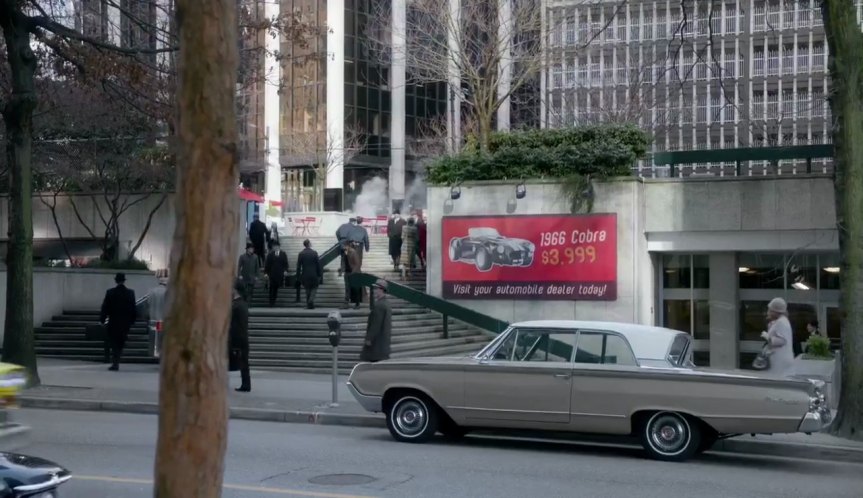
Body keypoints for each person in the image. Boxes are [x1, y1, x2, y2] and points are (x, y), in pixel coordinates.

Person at [99, 272, 137, 371]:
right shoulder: (130, 293)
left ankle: (115, 362)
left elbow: (105, 307)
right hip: (125, 322)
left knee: (113, 341)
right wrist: (132, 320)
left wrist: (102, 319)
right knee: (120, 341)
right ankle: (117, 360)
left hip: (113, 321)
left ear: (116, 281)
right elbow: (133, 308)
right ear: (124, 281)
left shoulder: (110, 292)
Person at [761, 297, 795, 377]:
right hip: (780, 361)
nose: (768, 313)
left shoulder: (781, 322)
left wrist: (768, 338)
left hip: (780, 362)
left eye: (770, 310)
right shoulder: (781, 321)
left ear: (775, 311)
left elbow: (782, 340)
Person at [360, 279, 392, 362]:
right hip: (383, 344)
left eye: (376, 288)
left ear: (381, 289)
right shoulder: (386, 304)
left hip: (376, 345)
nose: (374, 291)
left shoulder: (379, 305)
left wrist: (369, 338)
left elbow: (375, 324)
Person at [229, 280, 251, 392]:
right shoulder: (242, 304)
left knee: (242, 362)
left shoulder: (236, 306)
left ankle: (246, 384)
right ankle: (246, 384)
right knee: (244, 363)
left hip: (238, 338)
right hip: (242, 337)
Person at [296, 239, 323, 309]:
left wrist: (298, 276)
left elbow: (298, 266)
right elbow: (318, 265)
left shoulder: (301, 253)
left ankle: (309, 305)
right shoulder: (314, 253)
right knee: (314, 288)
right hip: (314, 274)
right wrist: (320, 274)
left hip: (305, 274)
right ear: (309, 244)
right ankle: (310, 301)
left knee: (307, 289)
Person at [147, 271, 168, 358]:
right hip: (163, 319)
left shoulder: (152, 291)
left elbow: (148, 304)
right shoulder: (167, 292)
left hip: (153, 319)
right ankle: (162, 354)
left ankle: (155, 353)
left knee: (154, 338)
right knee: (163, 339)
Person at [264, 240, 289, 307]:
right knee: (272, 288)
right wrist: (266, 273)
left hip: (279, 274)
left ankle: (273, 301)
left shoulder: (283, 254)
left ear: (279, 247)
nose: (275, 248)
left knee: (275, 288)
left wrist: (286, 270)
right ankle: (271, 302)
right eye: (274, 246)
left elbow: (286, 264)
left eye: (276, 246)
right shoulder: (270, 254)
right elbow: (267, 265)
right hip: (272, 274)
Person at [343, 244, 363, 309]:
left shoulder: (353, 253)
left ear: (348, 246)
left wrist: (353, 272)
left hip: (353, 273)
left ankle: (357, 304)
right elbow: (345, 262)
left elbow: (357, 264)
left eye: (345, 246)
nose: (344, 247)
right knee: (347, 288)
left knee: (355, 289)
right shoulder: (346, 252)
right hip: (347, 272)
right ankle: (346, 303)